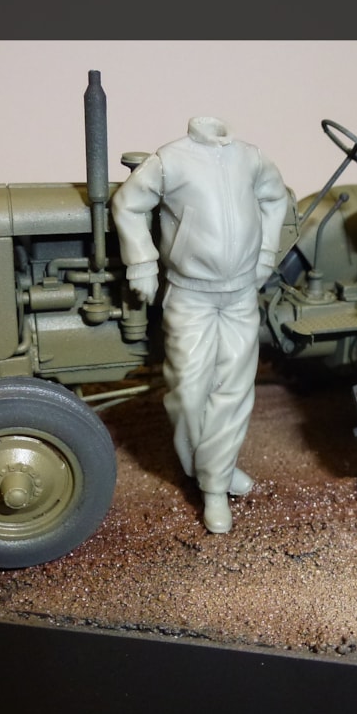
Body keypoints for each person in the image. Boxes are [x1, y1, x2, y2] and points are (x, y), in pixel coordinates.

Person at [111, 116, 288, 533]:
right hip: (190, 292)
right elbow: (128, 204)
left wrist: (265, 255)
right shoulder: (170, 160)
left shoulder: (250, 157)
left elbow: (275, 198)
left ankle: (215, 484)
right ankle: (209, 469)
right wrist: (141, 262)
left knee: (233, 389)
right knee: (189, 390)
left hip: (240, 293)